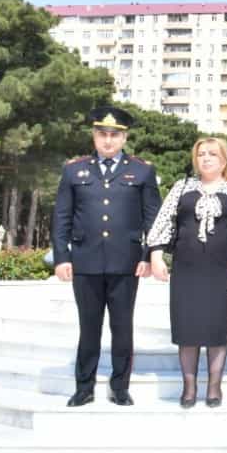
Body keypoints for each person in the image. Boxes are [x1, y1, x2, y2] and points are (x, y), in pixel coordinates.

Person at [51, 106, 161, 407]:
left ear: (124, 137)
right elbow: (62, 217)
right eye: (102, 134)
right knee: (89, 327)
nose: (108, 140)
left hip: (126, 263)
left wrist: (149, 255)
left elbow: (153, 218)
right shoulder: (74, 170)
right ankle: (84, 387)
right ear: (94, 135)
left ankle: (120, 387)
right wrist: (62, 257)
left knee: (122, 328)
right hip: (85, 262)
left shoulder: (142, 171)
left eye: (115, 135)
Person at [147, 137, 227, 408]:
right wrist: (156, 256)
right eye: (201, 154)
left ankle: (214, 387)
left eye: (212, 154)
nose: (205, 158)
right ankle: (189, 387)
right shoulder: (182, 188)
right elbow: (163, 222)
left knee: (217, 329)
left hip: (222, 271)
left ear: (223, 159)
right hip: (187, 270)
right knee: (187, 329)